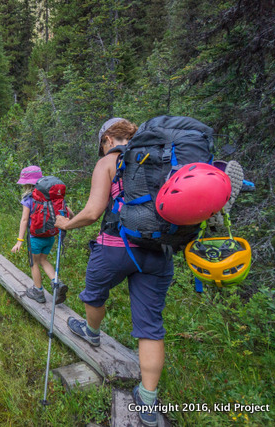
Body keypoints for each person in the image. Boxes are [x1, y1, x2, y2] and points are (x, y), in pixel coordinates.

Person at [54, 118, 173, 427]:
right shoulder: (161, 157)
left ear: (107, 138)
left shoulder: (109, 161)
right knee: (150, 326)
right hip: (159, 250)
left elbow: (94, 212)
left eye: (102, 143)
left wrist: (66, 223)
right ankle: (148, 401)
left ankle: (92, 333)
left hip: (116, 246)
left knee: (93, 293)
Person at [11, 166, 70, 304]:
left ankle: (38, 291)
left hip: (35, 238)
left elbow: (25, 220)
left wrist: (19, 240)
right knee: (43, 260)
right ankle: (57, 283)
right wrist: (70, 221)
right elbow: (66, 210)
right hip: (50, 236)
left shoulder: (28, 198)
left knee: (34, 264)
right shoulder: (52, 196)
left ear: (26, 184)